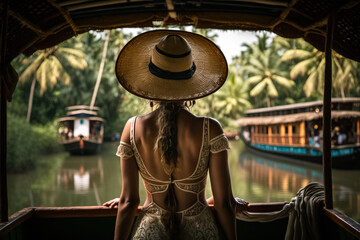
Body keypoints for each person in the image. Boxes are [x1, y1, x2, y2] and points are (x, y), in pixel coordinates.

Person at [104, 30, 246, 240]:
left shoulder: (132, 128)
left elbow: (129, 202)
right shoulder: (210, 128)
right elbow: (224, 204)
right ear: (190, 82)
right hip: (200, 231)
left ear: (152, 80)